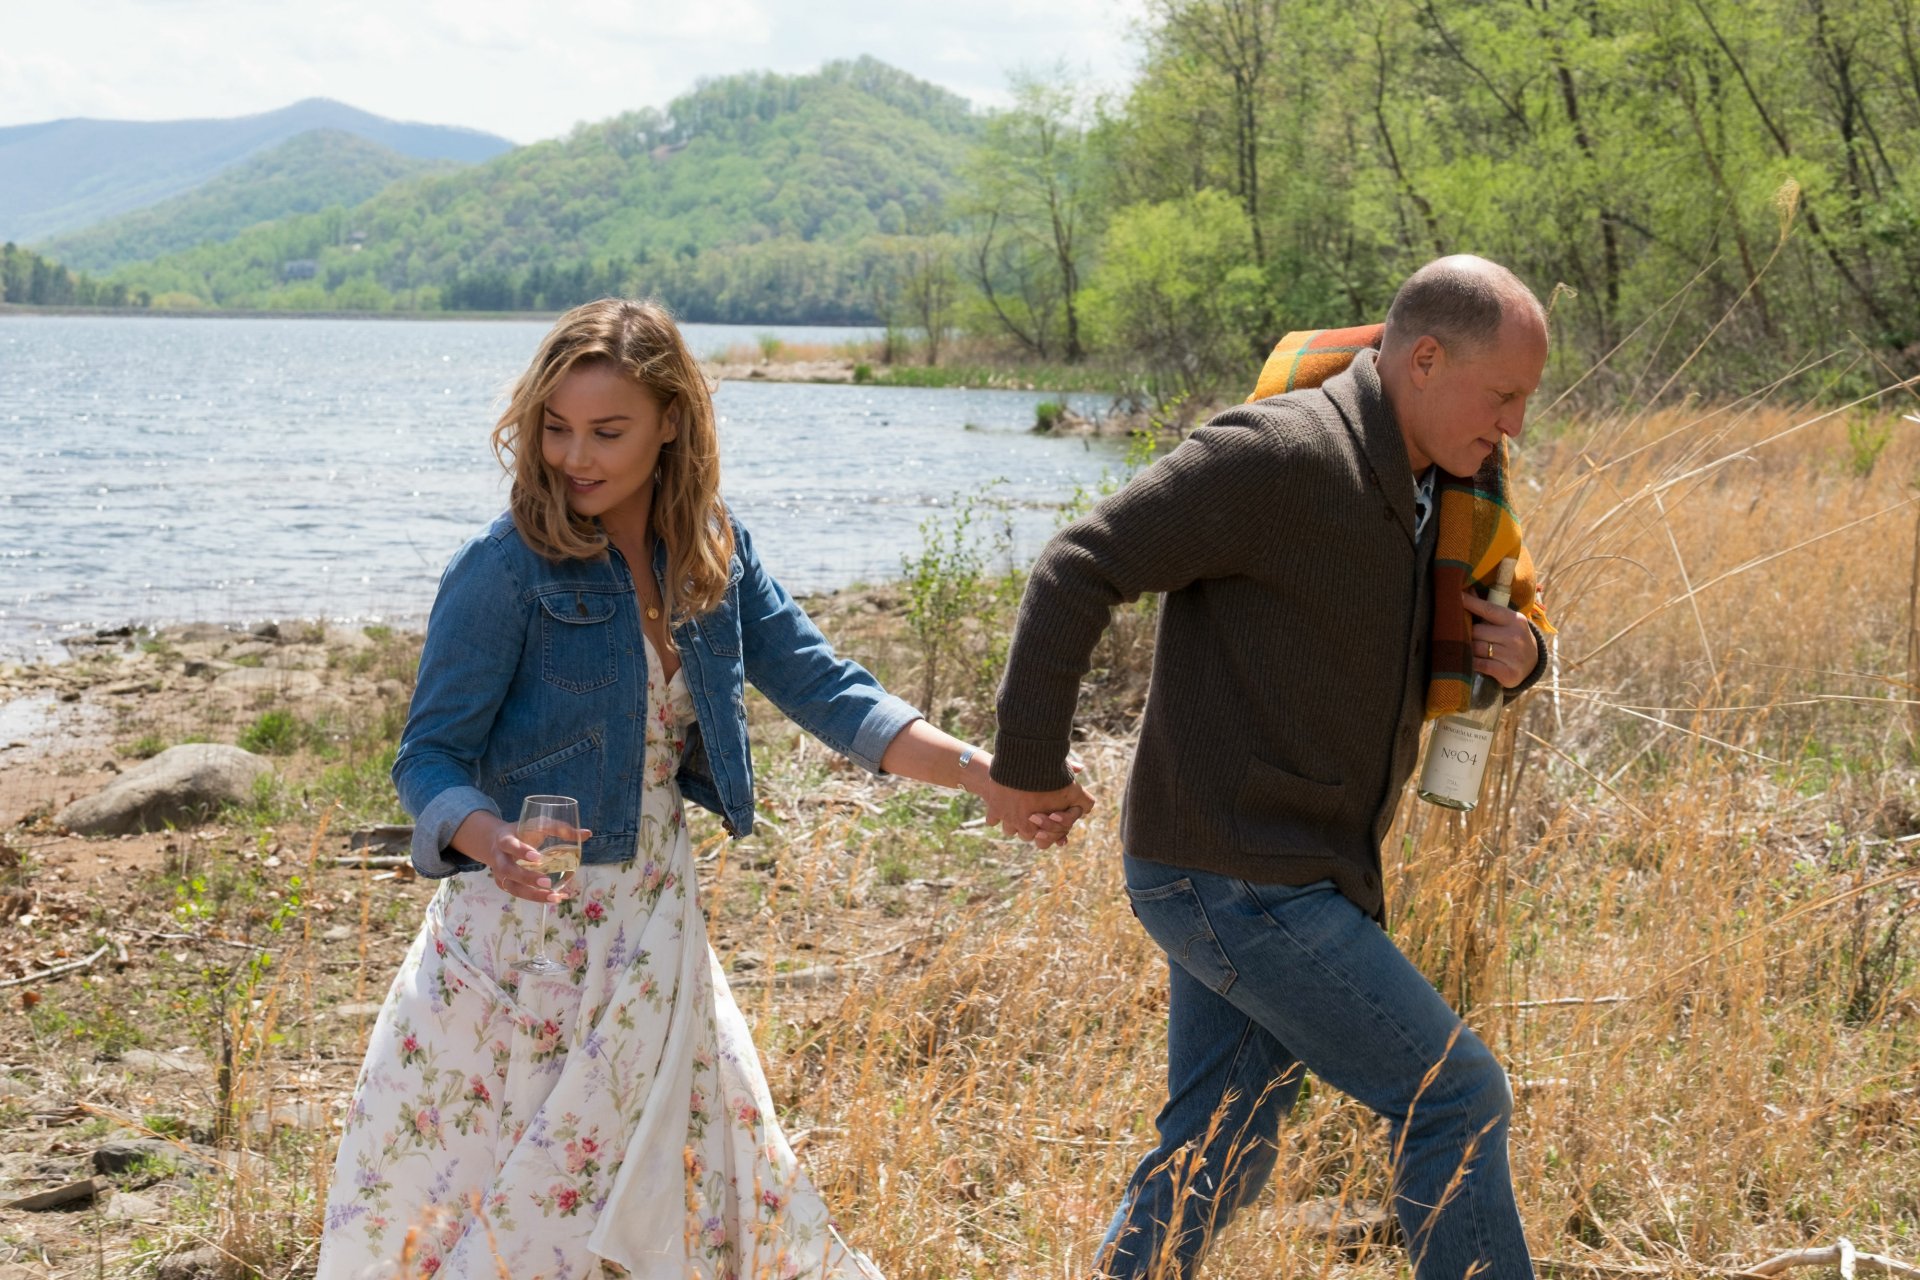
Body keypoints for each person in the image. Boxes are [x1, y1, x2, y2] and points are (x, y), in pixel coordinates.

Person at [317, 298, 1078, 1279]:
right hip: (520, 939)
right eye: (556, 428)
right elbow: (427, 755)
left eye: (607, 431)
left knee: (701, 1180)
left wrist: (986, 773)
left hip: (654, 920)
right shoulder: (504, 568)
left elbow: (829, 691)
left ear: (671, 421)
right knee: (504, 1199)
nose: (574, 457)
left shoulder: (713, 552)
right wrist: (481, 834)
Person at [986, 255, 1553, 1279]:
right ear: (1426, 360)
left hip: (1293, 874)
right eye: (1503, 395)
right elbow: (1079, 563)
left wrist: (1526, 655)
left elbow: (1489, 613)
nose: (1513, 425)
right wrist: (1029, 761)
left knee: (1219, 1149)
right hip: (1233, 876)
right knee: (1456, 1097)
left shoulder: (1445, 491)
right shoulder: (1278, 454)